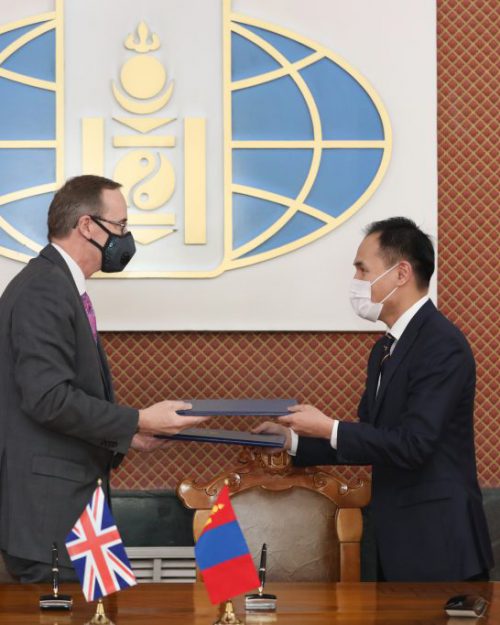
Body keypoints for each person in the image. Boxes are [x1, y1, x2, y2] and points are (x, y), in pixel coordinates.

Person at [255, 217, 493, 582]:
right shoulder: (384, 348)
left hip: (440, 544)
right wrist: (293, 441)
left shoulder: (441, 344)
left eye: (362, 269)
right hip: (397, 542)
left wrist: (328, 427)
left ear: (401, 273)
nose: (356, 280)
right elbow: (373, 439)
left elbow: (413, 445)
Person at [0, 175, 208, 583]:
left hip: (79, 506)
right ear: (87, 226)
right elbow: (48, 399)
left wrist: (130, 435)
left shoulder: (57, 284)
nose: (125, 239)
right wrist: (139, 419)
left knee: (103, 609)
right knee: (79, 610)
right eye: (121, 226)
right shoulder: (44, 289)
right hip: (52, 517)